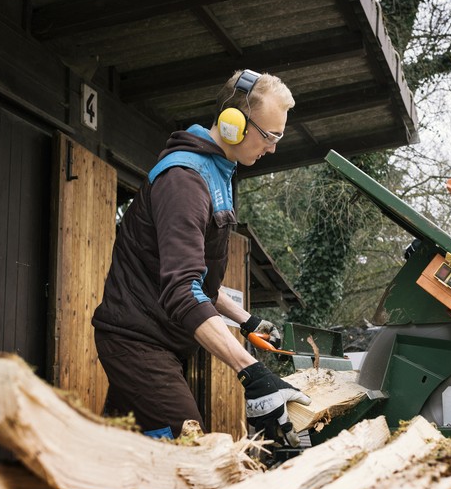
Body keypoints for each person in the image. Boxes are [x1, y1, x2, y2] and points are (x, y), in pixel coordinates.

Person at [92, 69, 310, 445]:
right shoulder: (185, 180)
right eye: (269, 135)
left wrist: (246, 320)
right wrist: (252, 372)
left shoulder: (216, 172)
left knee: (116, 455)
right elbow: (181, 289)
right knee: (191, 451)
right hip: (138, 343)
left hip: (154, 341)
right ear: (233, 124)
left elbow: (198, 277)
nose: (273, 147)